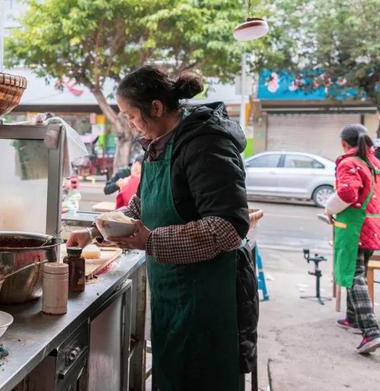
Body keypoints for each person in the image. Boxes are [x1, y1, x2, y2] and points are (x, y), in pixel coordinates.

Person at [68, 66, 256, 391]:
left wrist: (151, 240)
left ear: (155, 107)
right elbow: (141, 207)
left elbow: (227, 228)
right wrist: (95, 231)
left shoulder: (205, 145)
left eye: (130, 115)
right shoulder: (160, 144)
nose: (130, 123)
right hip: (173, 294)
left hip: (208, 298)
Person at [325, 124, 380, 354]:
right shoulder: (374, 163)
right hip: (372, 224)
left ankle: (371, 331)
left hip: (355, 227)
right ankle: (352, 318)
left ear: (344, 144)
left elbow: (348, 193)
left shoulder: (350, 163)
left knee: (354, 276)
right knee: (355, 270)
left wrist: (329, 207)